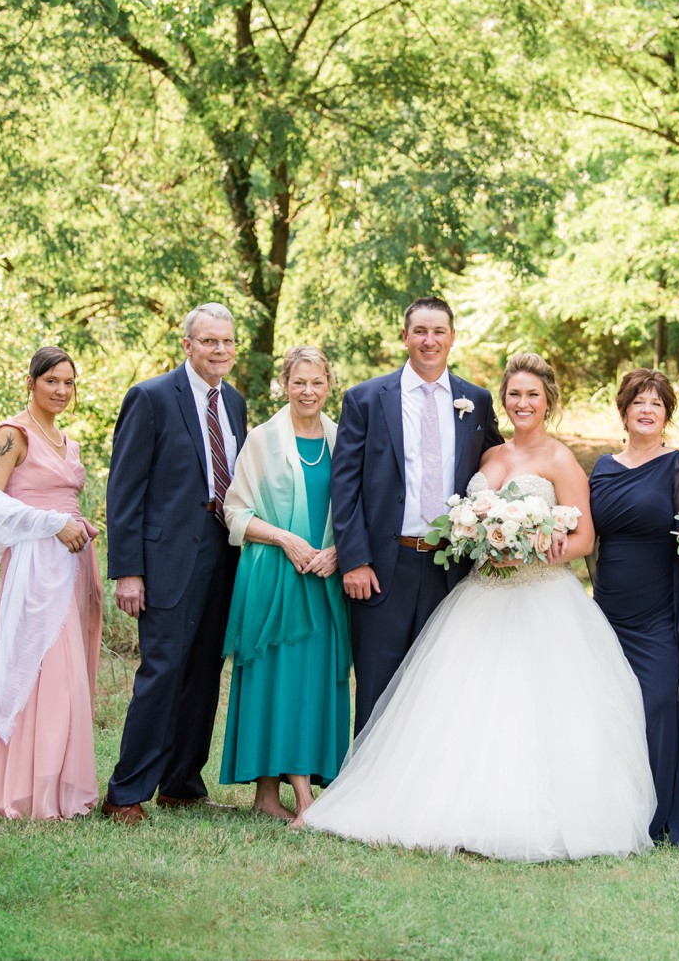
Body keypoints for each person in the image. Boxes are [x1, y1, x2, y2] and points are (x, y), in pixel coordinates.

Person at [303, 353, 654, 860]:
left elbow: (583, 536)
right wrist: (483, 539)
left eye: (533, 394)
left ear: (549, 401)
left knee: (530, 709)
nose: (523, 403)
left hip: (541, 597)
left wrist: (533, 546)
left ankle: (522, 816)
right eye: (515, 394)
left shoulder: (559, 459)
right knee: (458, 706)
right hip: (481, 593)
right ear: (503, 400)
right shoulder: (488, 455)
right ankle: (441, 806)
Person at [0, 346, 102, 819]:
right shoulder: (11, 435)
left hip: (72, 566)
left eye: (69, 383)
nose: (61, 391)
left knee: (69, 679)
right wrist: (52, 523)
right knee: (36, 669)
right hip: (36, 569)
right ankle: (17, 787)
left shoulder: (67, 441)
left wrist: (75, 524)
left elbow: (60, 502)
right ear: (30, 382)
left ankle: (54, 781)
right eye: (52, 380)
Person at [101, 303, 250, 824]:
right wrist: (129, 570)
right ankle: (125, 792)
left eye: (228, 342)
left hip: (223, 552)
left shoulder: (234, 403)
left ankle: (182, 782)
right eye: (210, 342)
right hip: (167, 557)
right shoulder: (151, 397)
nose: (221, 351)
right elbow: (123, 491)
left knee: (206, 672)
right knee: (162, 671)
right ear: (187, 345)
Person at [330, 296, 503, 733]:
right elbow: (345, 484)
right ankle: (369, 793)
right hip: (383, 568)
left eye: (439, 331)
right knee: (376, 684)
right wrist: (355, 559)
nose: (430, 341)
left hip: (452, 568)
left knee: (442, 684)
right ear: (404, 336)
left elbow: (502, 465)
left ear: (452, 338)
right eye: (420, 332)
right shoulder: (366, 399)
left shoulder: (476, 401)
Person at [218, 347, 349, 822]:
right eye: (299, 382)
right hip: (274, 575)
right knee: (273, 681)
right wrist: (285, 540)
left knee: (312, 682)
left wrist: (341, 551)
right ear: (285, 385)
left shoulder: (343, 439)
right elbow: (234, 511)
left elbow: (357, 508)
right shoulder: (262, 439)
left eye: (316, 382)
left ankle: (277, 797)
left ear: (328, 385)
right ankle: (277, 796)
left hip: (325, 581)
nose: (308, 391)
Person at [588, 369, 679, 846]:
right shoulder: (602, 467)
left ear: (666, 415)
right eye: (638, 402)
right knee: (609, 709)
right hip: (606, 611)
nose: (646, 410)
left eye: (656, 404)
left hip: (659, 612)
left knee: (657, 705)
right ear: (623, 411)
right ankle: (613, 805)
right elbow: (591, 541)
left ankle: (655, 814)